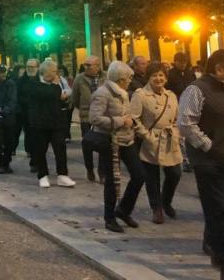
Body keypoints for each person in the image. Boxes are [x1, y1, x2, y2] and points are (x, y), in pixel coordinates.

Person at [178, 49, 224, 280]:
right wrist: (210, 147)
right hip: (211, 164)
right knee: (219, 211)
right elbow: (186, 123)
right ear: (219, 70)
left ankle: (212, 240)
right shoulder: (197, 90)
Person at [89, 60, 145, 233]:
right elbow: (95, 118)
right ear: (121, 79)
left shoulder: (122, 92)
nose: (130, 80)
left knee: (139, 175)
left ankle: (123, 210)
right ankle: (109, 217)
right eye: (128, 78)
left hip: (126, 139)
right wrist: (121, 121)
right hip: (110, 141)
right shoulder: (103, 93)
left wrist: (132, 123)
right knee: (112, 182)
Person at [130, 62, 181, 224]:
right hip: (150, 140)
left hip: (169, 139)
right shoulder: (140, 95)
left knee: (175, 173)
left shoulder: (171, 96)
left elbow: (177, 116)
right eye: (154, 76)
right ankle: (156, 208)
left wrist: (177, 131)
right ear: (148, 78)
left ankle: (166, 201)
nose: (158, 79)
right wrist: (145, 135)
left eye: (161, 75)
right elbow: (134, 118)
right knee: (152, 177)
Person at [27, 59, 76, 188]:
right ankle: (42, 176)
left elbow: (57, 98)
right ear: (46, 72)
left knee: (60, 149)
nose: (56, 74)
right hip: (40, 124)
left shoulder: (55, 84)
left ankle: (62, 175)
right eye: (54, 71)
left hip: (56, 122)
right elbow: (47, 94)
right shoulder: (34, 83)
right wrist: (55, 89)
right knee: (41, 150)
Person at [72, 56, 105, 181]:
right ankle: (89, 169)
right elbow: (75, 98)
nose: (86, 67)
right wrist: (83, 109)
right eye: (85, 65)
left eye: (89, 65)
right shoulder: (79, 79)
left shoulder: (105, 77)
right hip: (86, 117)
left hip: (103, 116)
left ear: (97, 66)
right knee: (87, 143)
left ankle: (102, 173)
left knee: (103, 145)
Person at [15, 58, 40, 165]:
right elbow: (17, 95)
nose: (30, 69)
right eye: (28, 67)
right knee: (29, 134)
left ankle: (35, 158)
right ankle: (31, 154)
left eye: (32, 67)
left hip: (39, 113)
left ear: (37, 67)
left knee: (37, 136)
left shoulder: (41, 79)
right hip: (25, 112)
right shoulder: (21, 81)